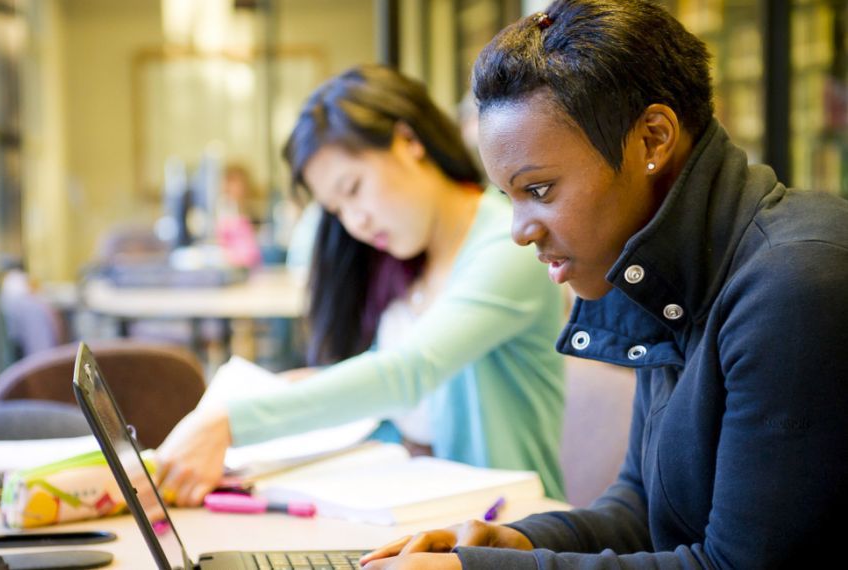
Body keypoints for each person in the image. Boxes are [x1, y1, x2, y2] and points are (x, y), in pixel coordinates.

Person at [360, 1, 848, 568]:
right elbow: (645, 508)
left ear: (653, 139)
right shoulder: (671, 266)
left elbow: (736, 565)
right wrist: (521, 541)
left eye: (538, 189)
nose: (519, 232)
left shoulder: (796, 282)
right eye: (509, 198)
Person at [153, 64, 567, 509]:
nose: (356, 221)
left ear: (409, 142)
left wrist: (229, 422)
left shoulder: (509, 244)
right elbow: (400, 400)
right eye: (338, 209)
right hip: (421, 513)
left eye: (353, 189)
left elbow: (409, 373)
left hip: (511, 527)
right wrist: (312, 385)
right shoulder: (407, 260)